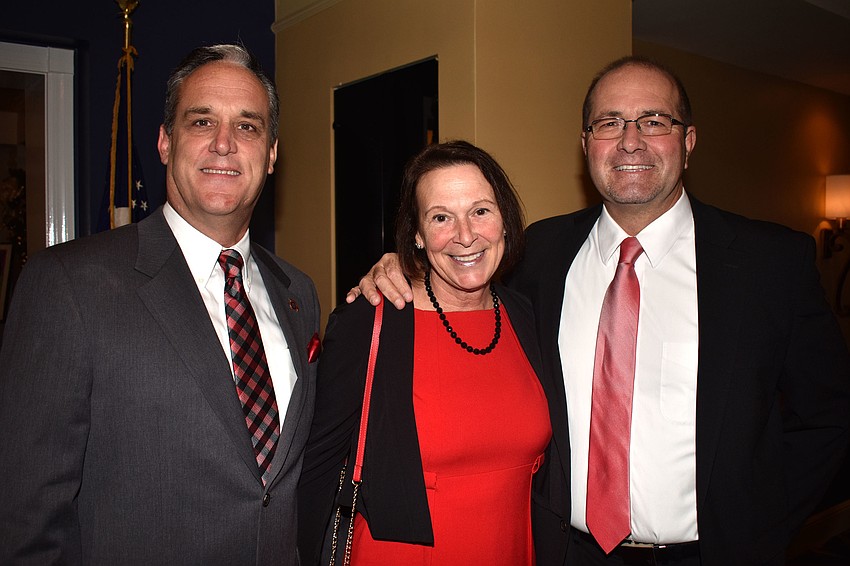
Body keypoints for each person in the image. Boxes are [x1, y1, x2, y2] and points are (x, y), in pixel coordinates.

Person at [348, 57, 850, 565]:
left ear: (688, 141)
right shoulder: (539, 254)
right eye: (609, 123)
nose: (630, 141)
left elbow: (828, 416)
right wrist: (403, 268)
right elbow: (464, 287)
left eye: (654, 121)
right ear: (586, 144)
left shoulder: (770, 264)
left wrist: (761, 528)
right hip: (567, 553)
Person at [0, 44, 320, 565]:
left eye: (247, 126)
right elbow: (25, 522)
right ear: (166, 142)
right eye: (202, 122)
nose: (224, 143)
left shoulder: (298, 293)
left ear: (271, 153)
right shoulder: (68, 286)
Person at [298, 140, 552, 565]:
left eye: (480, 211)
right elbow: (316, 468)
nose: (465, 236)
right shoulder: (374, 319)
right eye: (441, 217)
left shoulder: (525, 315)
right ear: (416, 234)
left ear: (505, 220)